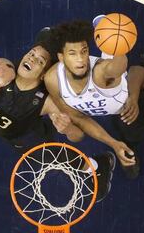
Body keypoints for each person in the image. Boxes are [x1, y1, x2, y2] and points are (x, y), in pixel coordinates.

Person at [0, 29, 115, 202]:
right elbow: (0, 64)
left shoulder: (48, 101)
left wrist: (68, 128)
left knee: (47, 156)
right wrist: (4, 68)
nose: (31, 58)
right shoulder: (3, 73)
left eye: (39, 60)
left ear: (42, 75)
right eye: (31, 53)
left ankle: (98, 166)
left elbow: (78, 135)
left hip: (22, 135)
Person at [43, 20, 137, 172]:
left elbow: (116, 68)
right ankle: (105, 38)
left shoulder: (100, 72)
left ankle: (111, 44)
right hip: (98, 110)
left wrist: (120, 46)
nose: (80, 58)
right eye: (72, 53)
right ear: (61, 57)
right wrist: (113, 143)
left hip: (127, 104)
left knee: (135, 133)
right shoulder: (52, 79)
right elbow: (79, 117)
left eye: (84, 51)